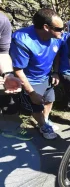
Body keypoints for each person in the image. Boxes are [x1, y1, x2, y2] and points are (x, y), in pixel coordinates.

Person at [10, 8, 67, 139]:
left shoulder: (57, 36)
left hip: (47, 76)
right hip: (30, 79)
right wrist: (31, 92)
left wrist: (56, 72)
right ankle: (42, 125)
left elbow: (57, 53)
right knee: (36, 105)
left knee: (49, 100)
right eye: (59, 29)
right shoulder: (22, 40)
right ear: (46, 27)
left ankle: (45, 120)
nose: (62, 31)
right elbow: (18, 70)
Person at [0, 12, 32, 141]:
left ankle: (12, 130)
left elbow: (2, 53)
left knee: (9, 99)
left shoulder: (2, 20)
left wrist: (7, 74)